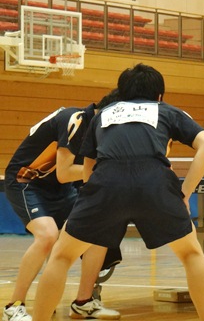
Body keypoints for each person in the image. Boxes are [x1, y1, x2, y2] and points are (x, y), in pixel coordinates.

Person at [31, 63, 204, 321]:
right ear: (159, 95)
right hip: (155, 183)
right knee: (191, 253)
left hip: (106, 183)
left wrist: (92, 200)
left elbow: (89, 165)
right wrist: (183, 194)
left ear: (123, 92)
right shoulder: (166, 110)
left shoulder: (103, 114)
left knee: (62, 256)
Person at [3, 93, 121, 321]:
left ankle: (83, 302)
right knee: (47, 236)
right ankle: (13, 306)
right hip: (27, 181)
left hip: (61, 189)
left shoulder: (101, 131)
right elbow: (64, 172)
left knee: (98, 231)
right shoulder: (75, 120)